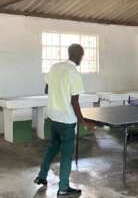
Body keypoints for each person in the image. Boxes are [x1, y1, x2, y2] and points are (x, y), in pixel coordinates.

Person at [34, 44, 93, 197]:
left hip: (53, 116)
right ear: (79, 55)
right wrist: (83, 121)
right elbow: (75, 101)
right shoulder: (74, 73)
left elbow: (47, 90)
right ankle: (63, 188)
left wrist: (58, 91)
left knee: (53, 146)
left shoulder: (55, 67)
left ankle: (41, 176)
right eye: (82, 55)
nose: (82, 58)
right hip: (66, 120)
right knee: (67, 154)